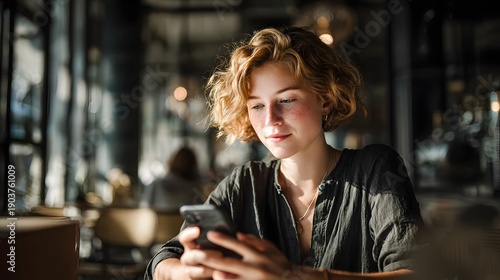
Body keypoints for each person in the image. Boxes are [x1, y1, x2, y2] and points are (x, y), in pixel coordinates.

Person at [145, 26, 427, 280]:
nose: (270, 119)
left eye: (287, 100)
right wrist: (185, 272)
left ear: (325, 101)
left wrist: (293, 276)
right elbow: (164, 258)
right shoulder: (244, 183)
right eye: (256, 106)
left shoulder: (375, 170)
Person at [140, 146, 205, 212]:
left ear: (172, 161)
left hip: (160, 222)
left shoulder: (156, 185)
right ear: (193, 165)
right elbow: (202, 214)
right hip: (187, 222)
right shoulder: (196, 190)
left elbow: (144, 209)